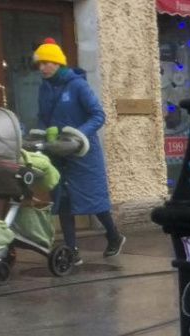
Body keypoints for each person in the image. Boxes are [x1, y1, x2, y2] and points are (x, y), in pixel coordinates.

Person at [34, 38, 125, 264]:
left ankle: (113, 235)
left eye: (46, 62)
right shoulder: (44, 88)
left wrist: (78, 135)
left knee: (94, 199)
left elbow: (98, 115)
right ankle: (71, 250)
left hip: (83, 153)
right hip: (58, 151)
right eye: (39, 64)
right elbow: (43, 117)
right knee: (63, 201)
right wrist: (42, 135)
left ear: (57, 63)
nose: (42, 67)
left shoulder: (78, 85)